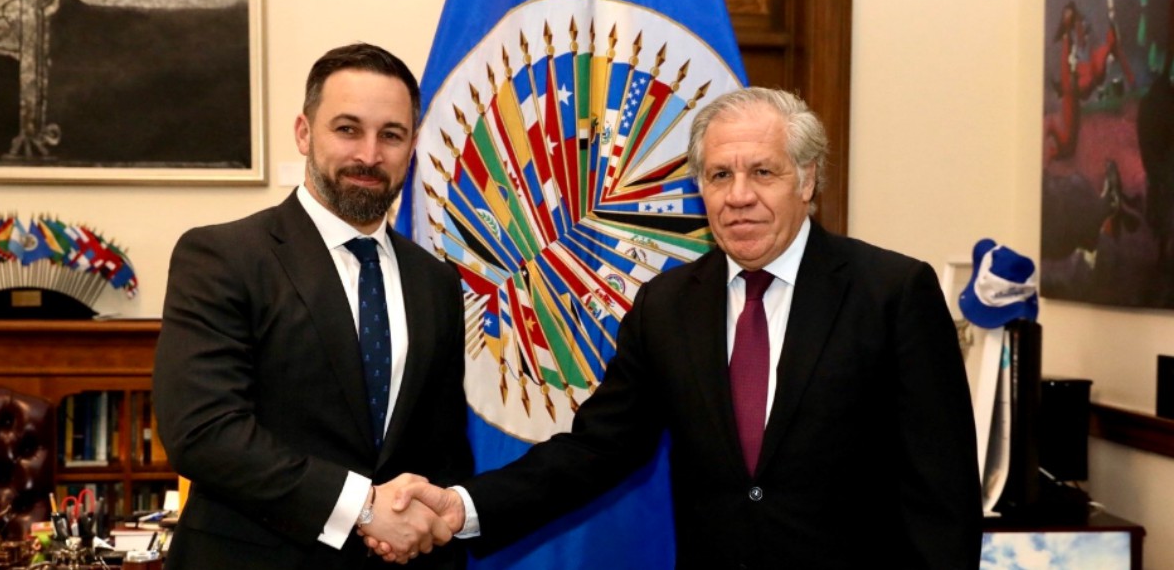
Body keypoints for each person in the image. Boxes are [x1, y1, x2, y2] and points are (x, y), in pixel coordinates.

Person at [375, 87, 983, 569]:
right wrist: (461, 507)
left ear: (808, 179)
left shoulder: (892, 293)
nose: (737, 196)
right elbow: (598, 448)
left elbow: (943, 496)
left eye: (762, 173)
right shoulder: (668, 305)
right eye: (719, 176)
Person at [153, 43, 472, 569]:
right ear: (304, 132)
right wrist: (363, 508)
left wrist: (431, 521)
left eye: (390, 135)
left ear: (412, 146)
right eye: (347, 129)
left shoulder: (435, 282)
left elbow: (441, 449)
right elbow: (203, 432)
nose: (369, 155)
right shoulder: (222, 257)